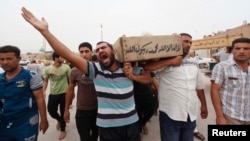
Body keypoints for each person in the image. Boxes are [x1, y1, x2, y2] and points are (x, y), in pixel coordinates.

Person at [21, 7, 152, 141]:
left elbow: (148, 79)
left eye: (103, 47)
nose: (100, 50)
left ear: (113, 51)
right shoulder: (95, 70)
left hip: (131, 124)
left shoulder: (127, 67)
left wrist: (133, 76)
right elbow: (69, 55)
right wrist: (45, 31)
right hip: (107, 128)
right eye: (98, 49)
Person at [143, 33, 208, 141]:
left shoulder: (193, 63)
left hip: (190, 114)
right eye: (185, 41)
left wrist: (204, 105)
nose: (188, 44)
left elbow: (199, 86)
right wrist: (171, 61)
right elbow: (147, 67)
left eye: (190, 42)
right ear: (176, 42)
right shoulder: (165, 60)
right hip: (170, 115)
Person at [0, 45, 49, 140]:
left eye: (9, 59)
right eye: (2, 59)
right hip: (3, 124)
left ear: (19, 59)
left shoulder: (31, 76)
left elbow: (40, 99)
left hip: (26, 124)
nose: (5, 62)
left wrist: (44, 120)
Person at [64, 42, 99, 141]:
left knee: (95, 135)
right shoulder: (74, 71)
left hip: (98, 109)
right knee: (84, 138)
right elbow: (70, 90)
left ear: (92, 52)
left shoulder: (99, 68)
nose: (84, 54)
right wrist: (66, 110)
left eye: (87, 51)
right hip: (82, 110)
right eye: (81, 52)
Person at [211, 37, 250, 125]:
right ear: (232, 51)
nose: (241, 51)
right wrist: (219, 116)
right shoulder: (221, 67)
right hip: (230, 118)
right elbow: (214, 90)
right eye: (237, 48)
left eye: (246, 49)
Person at [43, 52, 71, 140]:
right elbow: (46, 81)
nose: (63, 58)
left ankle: (63, 130)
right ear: (56, 58)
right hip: (53, 94)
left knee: (63, 112)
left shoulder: (66, 67)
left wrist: (71, 93)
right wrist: (44, 90)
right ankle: (59, 120)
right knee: (51, 111)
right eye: (62, 57)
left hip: (64, 93)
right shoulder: (48, 69)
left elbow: (70, 81)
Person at [188, 49, 206, 141]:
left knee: (193, 113)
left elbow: (199, 85)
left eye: (192, 56)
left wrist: (203, 104)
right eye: (189, 55)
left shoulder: (195, 64)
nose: (190, 57)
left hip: (193, 95)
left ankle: (195, 130)